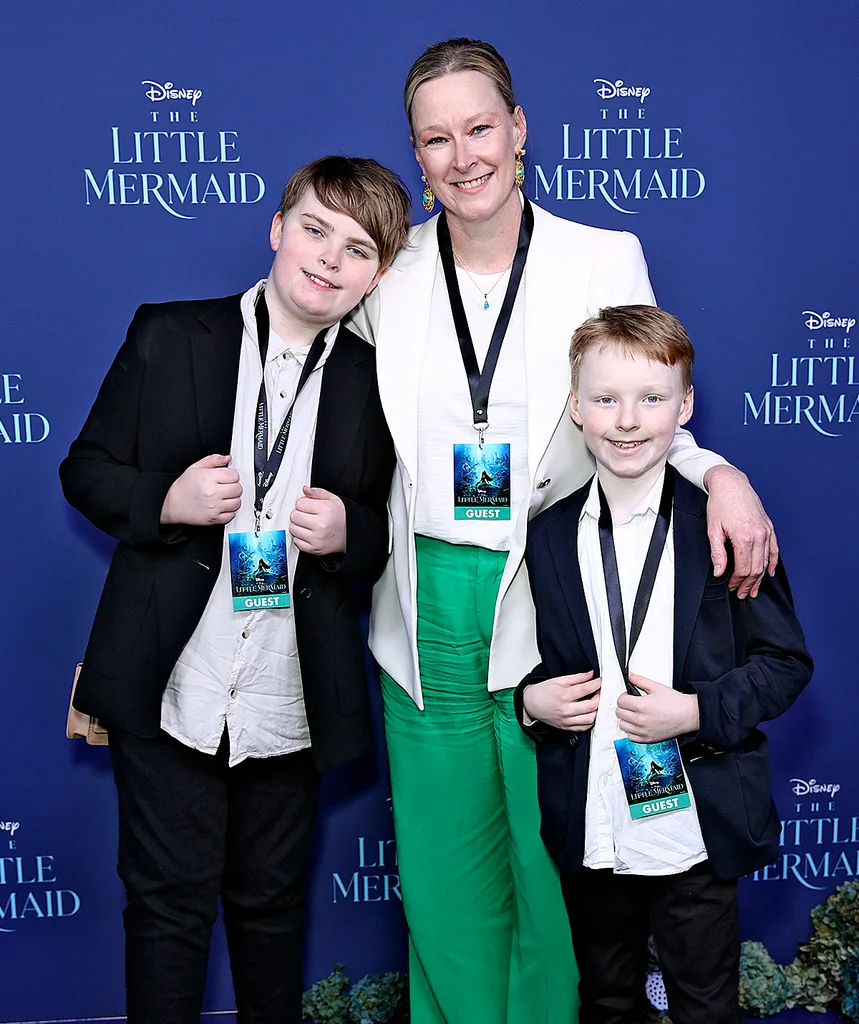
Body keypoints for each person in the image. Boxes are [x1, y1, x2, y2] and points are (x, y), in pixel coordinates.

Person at [350, 37, 780, 1024]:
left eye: (479, 128)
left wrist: (721, 474)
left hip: (550, 595)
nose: (463, 156)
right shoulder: (387, 269)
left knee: (559, 867)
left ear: (519, 130)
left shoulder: (602, 255)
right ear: (415, 157)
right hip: (423, 600)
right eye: (436, 139)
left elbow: (651, 402)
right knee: (446, 867)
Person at [60, 156, 409, 1024]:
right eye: (317, 229)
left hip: (288, 698)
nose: (330, 259)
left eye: (358, 249)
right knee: (167, 912)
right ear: (278, 227)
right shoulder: (171, 334)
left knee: (269, 912)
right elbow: (84, 470)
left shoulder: (381, 383)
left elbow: (387, 529)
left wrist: (348, 536)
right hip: (171, 684)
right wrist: (165, 500)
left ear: (377, 275)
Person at [515, 305, 812, 1024]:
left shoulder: (726, 526)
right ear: (575, 407)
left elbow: (784, 662)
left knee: (703, 1001)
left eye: (650, 399)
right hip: (593, 819)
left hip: (693, 820)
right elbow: (526, 663)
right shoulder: (547, 536)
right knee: (606, 999)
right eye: (605, 398)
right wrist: (531, 703)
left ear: (684, 405)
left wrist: (698, 711)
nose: (626, 419)